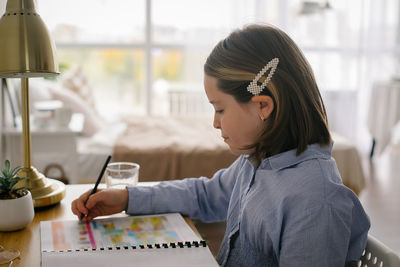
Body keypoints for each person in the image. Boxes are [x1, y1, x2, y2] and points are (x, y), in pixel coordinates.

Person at [72, 24, 370, 266]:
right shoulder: (256, 161)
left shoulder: (315, 202)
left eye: (220, 109)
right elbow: (204, 195)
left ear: (263, 105)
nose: (215, 123)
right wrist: (125, 198)